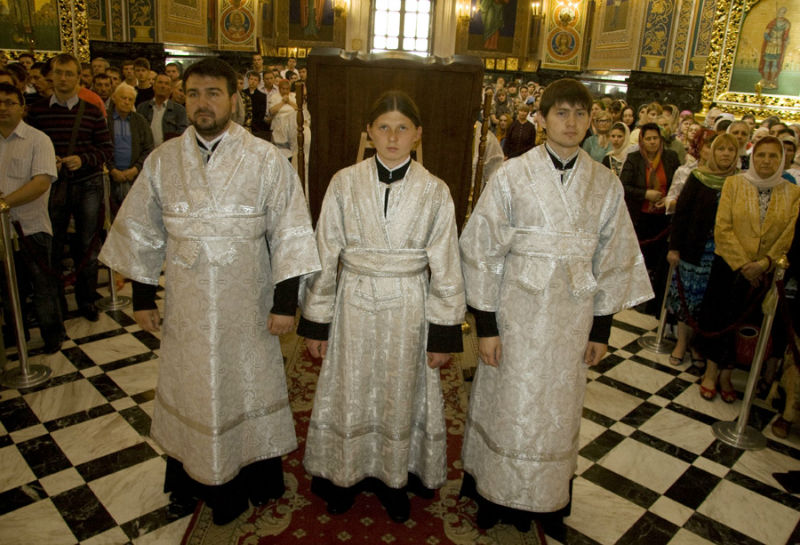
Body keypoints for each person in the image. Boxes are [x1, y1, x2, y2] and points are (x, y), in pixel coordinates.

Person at [98, 57, 320, 525]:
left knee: (246, 386)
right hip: (188, 307)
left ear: (233, 99)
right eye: (195, 93)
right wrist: (143, 298)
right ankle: (188, 482)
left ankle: (254, 478)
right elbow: (141, 231)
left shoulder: (265, 159)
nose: (203, 103)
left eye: (213, 93)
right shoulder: (163, 160)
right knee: (191, 389)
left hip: (248, 305)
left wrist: (284, 303)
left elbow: (290, 232)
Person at [459, 78, 653, 533]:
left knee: (558, 411)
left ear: (591, 122)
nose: (571, 122)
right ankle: (493, 492)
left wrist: (601, 330)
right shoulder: (511, 175)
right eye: (561, 113)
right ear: (542, 119)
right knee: (507, 403)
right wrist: (486, 325)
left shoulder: (605, 184)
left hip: (572, 317)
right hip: (515, 314)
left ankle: (546, 501)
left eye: (580, 114)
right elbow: (482, 251)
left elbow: (613, 259)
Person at [298, 91, 465, 524]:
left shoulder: (435, 190)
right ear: (369, 132)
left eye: (402, 128)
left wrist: (443, 333)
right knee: (350, 387)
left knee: (400, 390)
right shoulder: (343, 182)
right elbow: (324, 250)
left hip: (409, 307)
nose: (393, 137)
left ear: (417, 134)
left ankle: (395, 479)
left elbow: (446, 263)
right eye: (384, 127)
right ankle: (344, 475)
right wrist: (316, 323)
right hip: (353, 303)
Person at [696, 136, 800, 402]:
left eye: (773, 156)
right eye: (761, 155)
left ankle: (727, 375)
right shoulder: (734, 184)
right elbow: (723, 227)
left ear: (782, 160)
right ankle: (711, 372)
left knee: (745, 326)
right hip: (730, 266)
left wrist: (764, 263)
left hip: (765, 273)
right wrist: (744, 264)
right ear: (753, 157)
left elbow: (788, 235)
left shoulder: (793, 193)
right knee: (720, 318)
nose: (766, 161)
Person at [26, 53, 112, 322]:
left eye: (69, 74)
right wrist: (47, 160)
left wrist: (83, 159)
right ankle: (56, 303)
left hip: (86, 183)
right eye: (59, 73)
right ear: (51, 76)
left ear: (78, 78)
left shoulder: (92, 111)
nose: (63, 79)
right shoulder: (38, 112)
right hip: (52, 186)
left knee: (86, 244)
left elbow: (105, 149)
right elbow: (30, 148)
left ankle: (87, 299)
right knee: (53, 243)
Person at [0, 82, 65, 353]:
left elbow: (41, 183)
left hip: (31, 227)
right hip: (2, 232)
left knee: (42, 286)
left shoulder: (38, 140)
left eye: (9, 102)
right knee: (8, 288)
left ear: (22, 107)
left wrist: (4, 203)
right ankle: (18, 332)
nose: (3, 108)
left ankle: (52, 334)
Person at [666, 134, 738, 367]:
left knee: (709, 302)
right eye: (721, 149)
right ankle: (681, 342)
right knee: (688, 298)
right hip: (694, 248)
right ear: (712, 152)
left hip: (723, 253)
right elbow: (682, 213)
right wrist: (674, 247)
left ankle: (698, 345)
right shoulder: (699, 177)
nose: (725, 154)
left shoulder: (739, 182)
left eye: (730, 150)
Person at [619, 122, 680, 276]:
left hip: (664, 217)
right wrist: (645, 194)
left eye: (655, 138)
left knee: (659, 259)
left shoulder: (671, 157)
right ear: (642, 140)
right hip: (640, 217)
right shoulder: (634, 159)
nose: (652, 142)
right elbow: (623, 186)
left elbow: (678, 184)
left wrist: (667, 198)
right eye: (648, 139)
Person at [106, 83, 153, 211]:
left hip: (134, 177)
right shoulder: (105, 119)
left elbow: (149, 148)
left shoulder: (140, 121)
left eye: (130, 99)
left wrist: (136, 169)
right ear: (114, 98)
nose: (126, 102)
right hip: (109, 177)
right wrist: (112, 170)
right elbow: (100, 147)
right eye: (123, 98)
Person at [136, 73, 188, 146]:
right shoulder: (142, 108)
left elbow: (182, 134)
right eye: (160, 82)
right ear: (153, 86)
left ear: (171, 89)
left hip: (168, 150)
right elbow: (137, 132)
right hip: (146, 150)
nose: (163, 86)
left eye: (166, 84)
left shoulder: (179, 110)